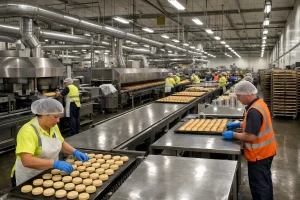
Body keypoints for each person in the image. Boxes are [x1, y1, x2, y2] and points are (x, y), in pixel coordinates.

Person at [11, 99, 89, 187]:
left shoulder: (53, 126)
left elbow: (61, 143)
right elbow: (27, 161)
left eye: (59, 117)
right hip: (29, 177)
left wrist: (75, 151)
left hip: (47, 173)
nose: (58, 120)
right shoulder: (28, 131)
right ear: (44, 113)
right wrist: (55, 163)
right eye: (55, 117)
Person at [222, 81, 276, 200]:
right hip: (267, 151)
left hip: (259, 155)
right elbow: (256, 124)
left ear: (247, 94)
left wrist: (234, 134)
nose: (238, 99)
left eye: (239, 96)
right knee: (265, 182)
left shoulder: (254, 111)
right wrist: (240, 124)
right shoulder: (259, 104)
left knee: (260, 187)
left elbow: (251, 137)